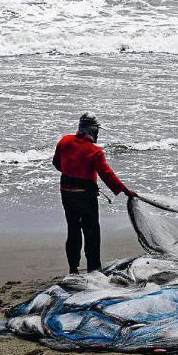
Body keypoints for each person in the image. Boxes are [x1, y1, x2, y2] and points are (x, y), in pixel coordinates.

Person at [52, 113, 135, 274]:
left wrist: (72, 173)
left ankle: (73, 268)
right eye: (97, 130)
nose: (98, 133)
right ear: (91, 130)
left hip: (66, 194)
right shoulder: (95, 152)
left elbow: (56, 163)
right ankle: (93, 267)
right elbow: (107, 175)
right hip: (86, 197)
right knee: (91, 232)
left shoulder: (64, 141)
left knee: (73, 230)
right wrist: (125, 190)